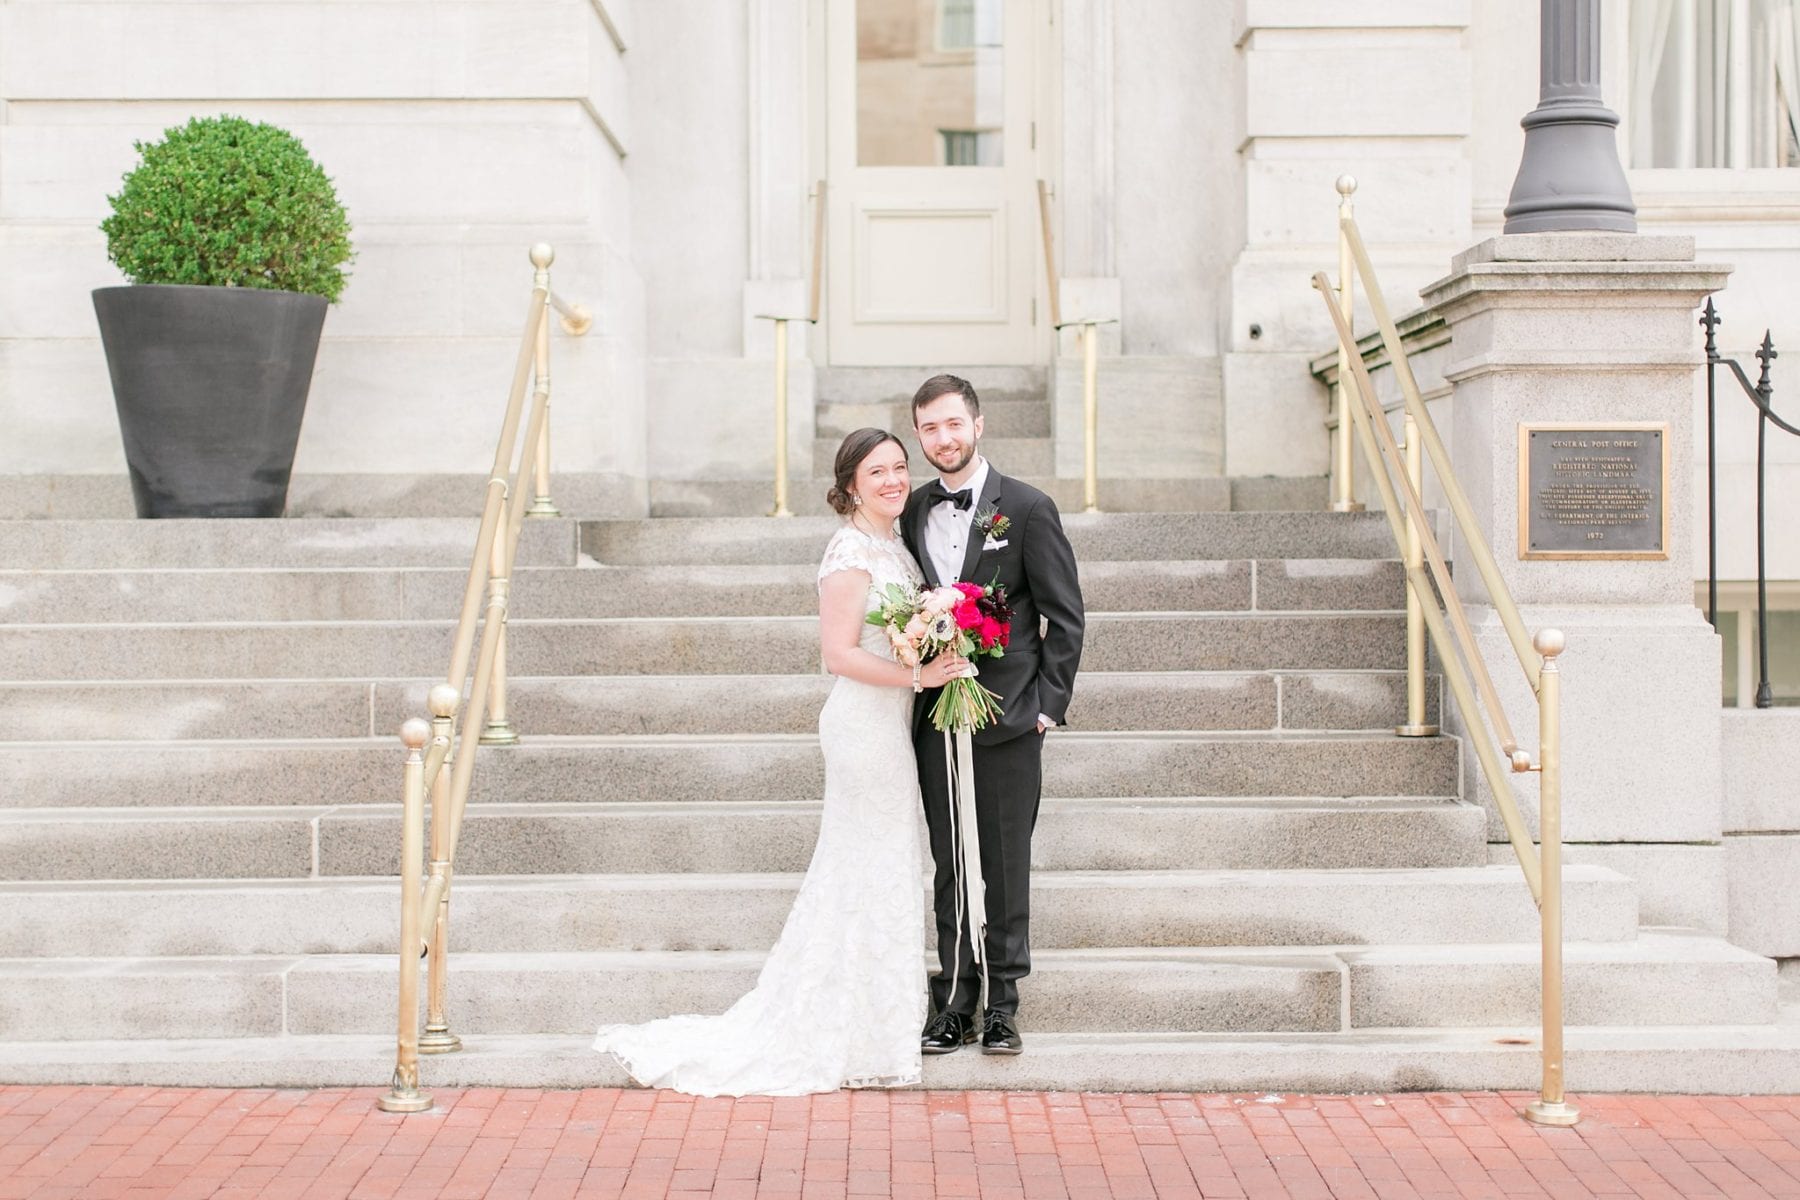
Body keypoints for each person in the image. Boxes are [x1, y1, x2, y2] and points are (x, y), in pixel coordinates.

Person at [593, 428, 968, 1096]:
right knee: (870, 865)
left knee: (881, 866)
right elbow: (840, 655)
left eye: (899, 468)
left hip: (891, 726)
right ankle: (849, 1029)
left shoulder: (896, 547)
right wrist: (920, 679)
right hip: (863, 727)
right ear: (849, 483)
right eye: (875, 471)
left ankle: (874, 1021)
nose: (892, 480)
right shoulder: (850, 552)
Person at [901, 374, 1085, 1057]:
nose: (942, 438)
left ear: (978, 425)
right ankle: (953, 999)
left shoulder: (1029, 509)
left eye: (953, 424)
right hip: (934, 720)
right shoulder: (912, 509)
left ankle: (1003, 1004)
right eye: (929, 428)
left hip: (1009, 719)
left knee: (1004, 863)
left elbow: (1064, 616)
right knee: (951, 861)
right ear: (919, 435)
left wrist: (1048, 708)